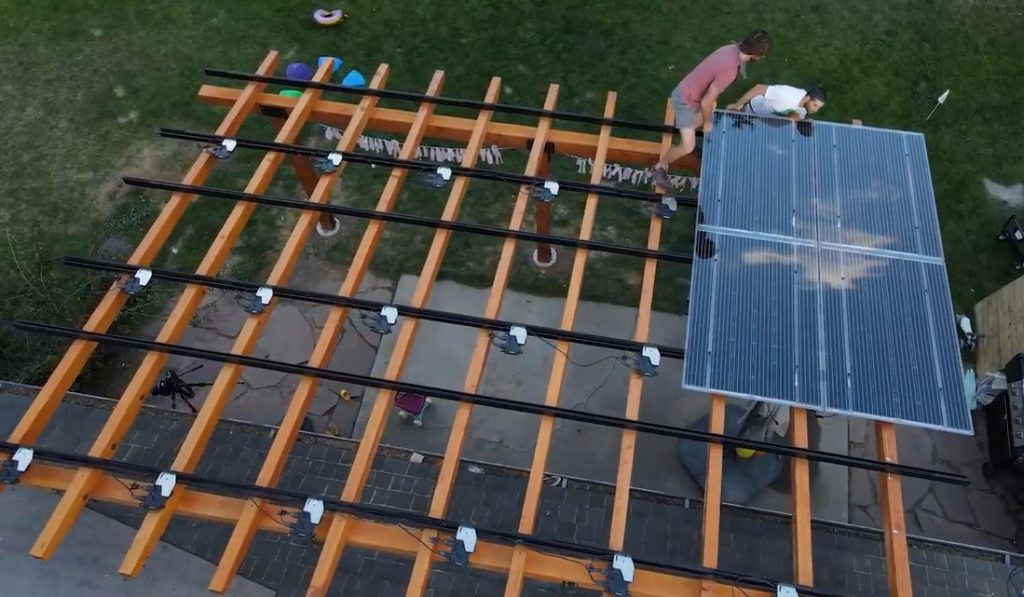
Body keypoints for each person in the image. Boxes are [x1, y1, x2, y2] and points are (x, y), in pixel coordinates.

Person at [652, 30, 773, 187]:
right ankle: (658, 167)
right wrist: (707, 123)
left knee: (712, 106)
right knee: (689, 147)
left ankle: (685, 131)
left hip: (689, 90)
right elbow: (705, 101)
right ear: (756, 56)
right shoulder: (729, 71)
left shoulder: (730, 49)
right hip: (685, 100)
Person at [727, 83, 826, 119]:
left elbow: (795, 115)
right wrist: (736, 105)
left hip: (765, 118)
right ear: (808, 98)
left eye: (818, 107)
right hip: (753, 109)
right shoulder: (785, 95)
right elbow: (758, 88)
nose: (816, 110)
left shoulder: (805, 107)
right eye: (815, 105)